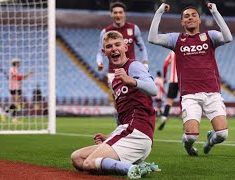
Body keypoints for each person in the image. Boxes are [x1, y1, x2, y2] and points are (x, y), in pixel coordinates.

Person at [71, 31, 159, 179]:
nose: (114, 49)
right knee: (77, 158)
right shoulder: (115, 81)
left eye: (117, 44)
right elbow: (121, 117)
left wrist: (132, 81)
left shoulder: (134, 66)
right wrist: (110, 137)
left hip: (137, 132)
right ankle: (137, 165)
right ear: (104, 52)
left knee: (89, 163)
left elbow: (154, 90)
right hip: (126, 131)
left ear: (125, 47)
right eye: (109, 46)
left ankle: (131, 168)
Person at [148, 3, 232, 156]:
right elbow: (152, 38)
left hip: (212, 93)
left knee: (222, 135)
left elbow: (228, 37)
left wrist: (215, 12)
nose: (190, 18)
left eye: (194, 15)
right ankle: (188, 147)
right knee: (191, 136)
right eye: (186, 16)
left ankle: (210, 141)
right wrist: (159, 12)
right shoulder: (177, 39)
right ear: (182, 22)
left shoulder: (210, 36)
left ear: (199, 20)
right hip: (190, 95)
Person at [96, 1, 149, 126]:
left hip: (132, 70)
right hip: (113, 72)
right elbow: (99, 51)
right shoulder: (105, 32)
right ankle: (120, 126)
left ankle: (137, 124)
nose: (118, 15)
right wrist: (99, 62)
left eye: (120, 12)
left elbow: (142, 47)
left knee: (136, 98)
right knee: (119, 101)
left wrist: (145, 62)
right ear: (111, 14)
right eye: (115, 12)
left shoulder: (133, 28)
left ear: (124, 14)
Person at [1, 58, 33, 124]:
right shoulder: (12, 69)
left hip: (17, 88)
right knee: (17, 103)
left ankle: (6, 114)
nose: (19, 64)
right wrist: (27, 74)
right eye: (18, 62)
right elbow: (19, 77)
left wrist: (28, 75)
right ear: (15, 63)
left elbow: (21, 78)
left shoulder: (16, 70)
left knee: (17, 104)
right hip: (14, 88)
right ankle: (11, 117)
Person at [158, 51, 178, 130]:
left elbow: (165, 64)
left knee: (169, 101)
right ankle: (186, 120)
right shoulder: (186, 49)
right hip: (184, 80)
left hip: (173, 80)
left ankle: (164, 117)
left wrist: (165, 77)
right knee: (185, 99)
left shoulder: (172, 52)